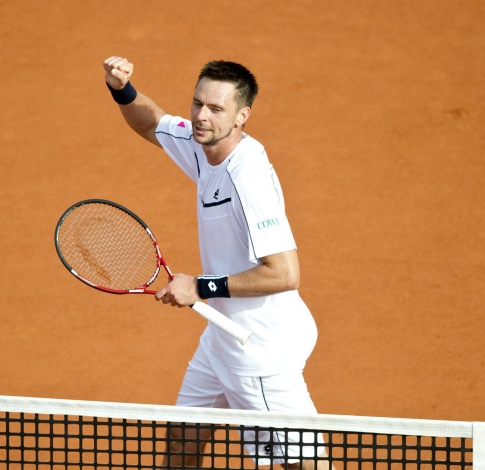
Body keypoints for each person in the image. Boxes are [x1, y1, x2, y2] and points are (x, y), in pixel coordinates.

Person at [103, 56, 335, 469]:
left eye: (215, 109)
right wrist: (122, 89)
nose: (201, 116)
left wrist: (200, 287)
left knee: (303, 464)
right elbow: (152, 122)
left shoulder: (248, 180)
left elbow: (285, 273)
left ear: (242, 116)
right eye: (198, 103)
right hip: (221, 339)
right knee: (184, 437)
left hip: (258, 352)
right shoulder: (202, 143)